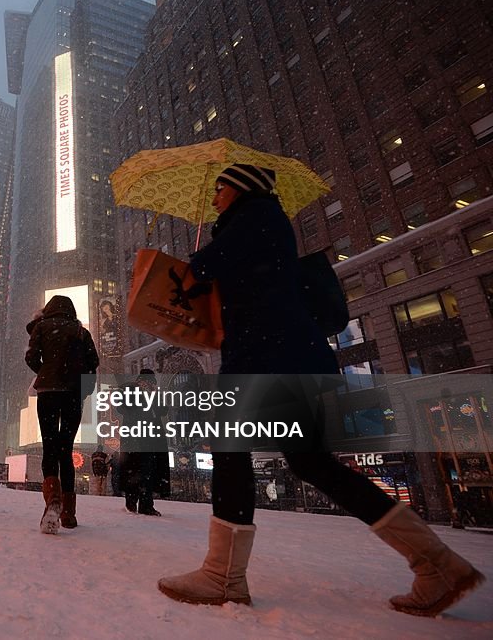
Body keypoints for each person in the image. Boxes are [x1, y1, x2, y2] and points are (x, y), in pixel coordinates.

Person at [157, 164, 484, 615]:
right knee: (312, 463)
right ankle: (436, 562)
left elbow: (207, 267)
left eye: (220, 189)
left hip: (268, 357)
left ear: (241, 190)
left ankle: (222, 576)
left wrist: (199, 259)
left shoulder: (256, 216)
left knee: (231, 448)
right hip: (290, 355)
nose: (214, 198)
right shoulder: (262, 221)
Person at [25, 295, 100, 534]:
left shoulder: (42, 327)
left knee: (49, 446)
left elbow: (30, 357)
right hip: (72, 393)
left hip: (48, 392)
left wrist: (46, 371)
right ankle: (68, 512)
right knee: (66, 449)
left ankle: (52, 502)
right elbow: (93, 362)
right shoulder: (80, 330)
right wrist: (84, 388)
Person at [119, 369, 168, 516]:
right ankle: (133, 502)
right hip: (135, 436)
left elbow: (163, 410)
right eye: (146, 382)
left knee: (146, 470)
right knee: (135, 469)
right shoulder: (130, 390)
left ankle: (144, 504)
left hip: (148, 437)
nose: (148, 385)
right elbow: (122, 407)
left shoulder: (153, 395)